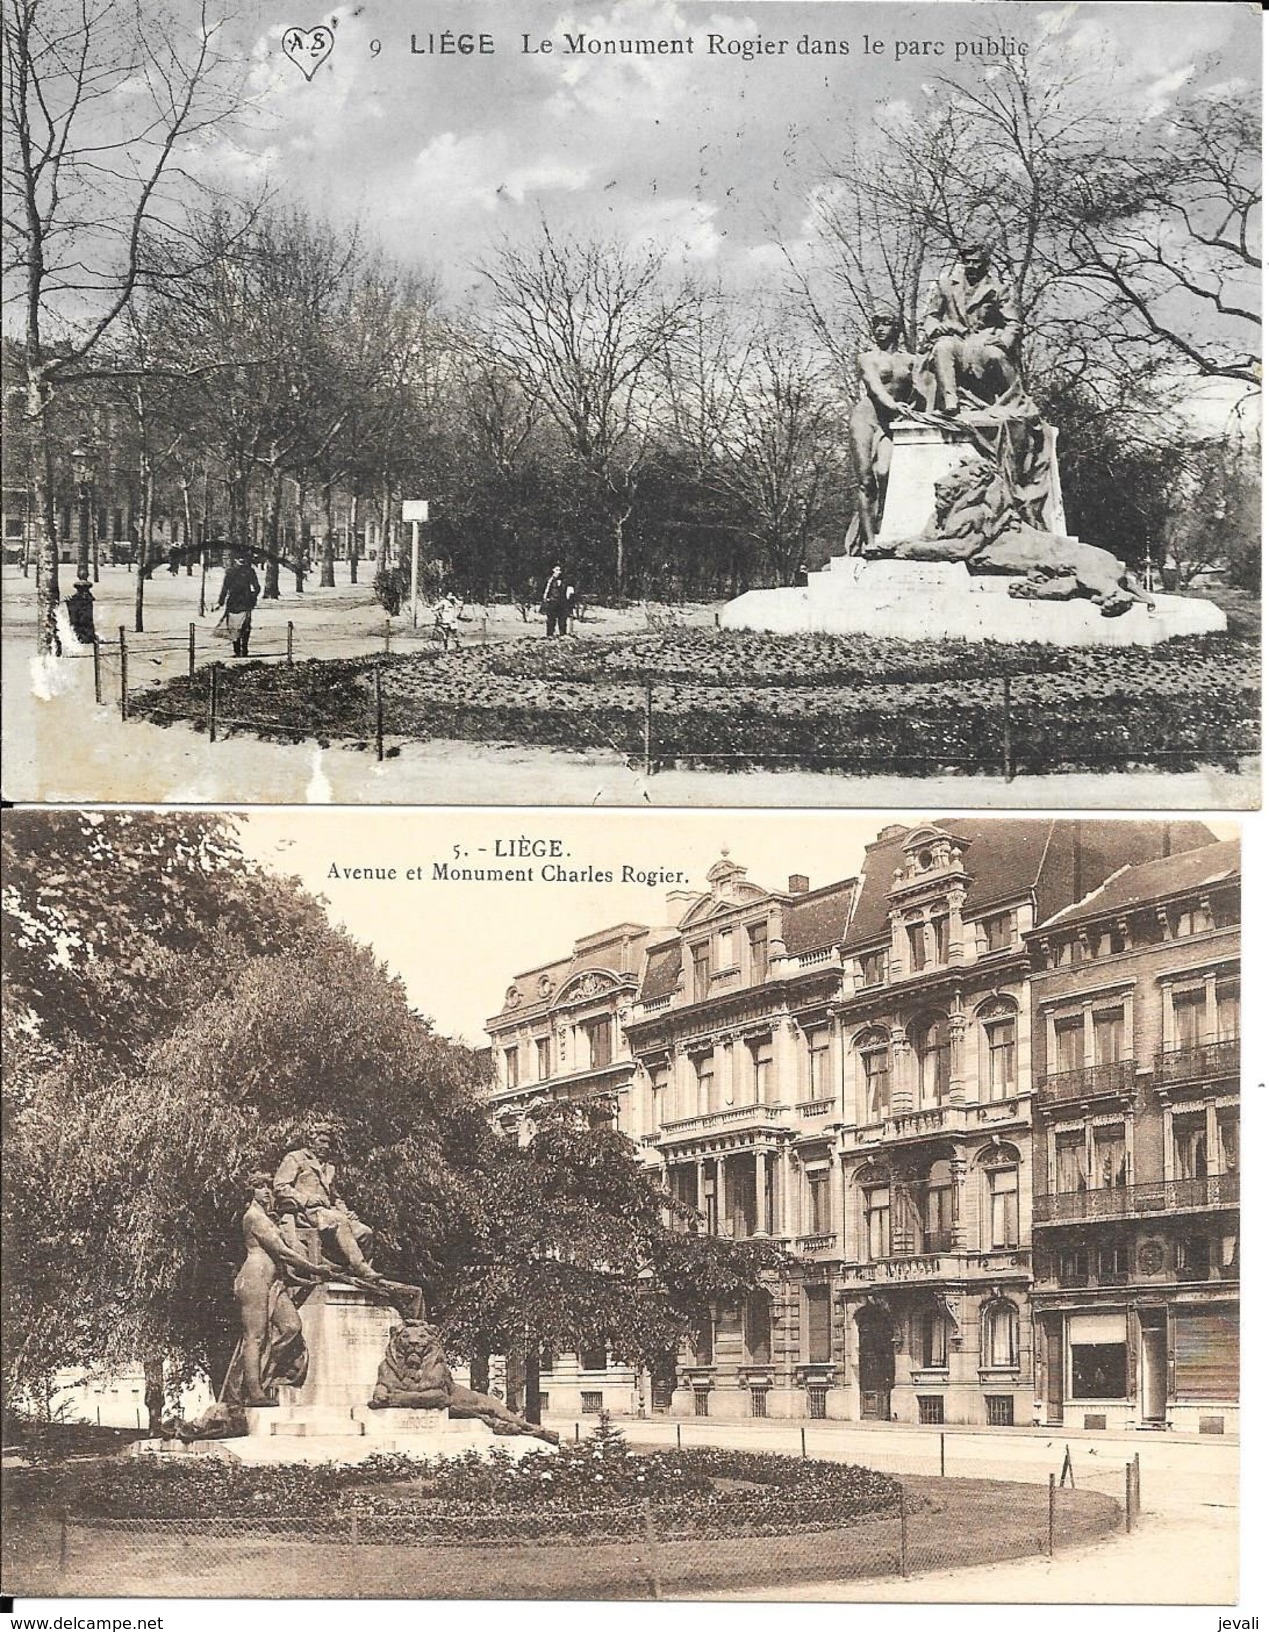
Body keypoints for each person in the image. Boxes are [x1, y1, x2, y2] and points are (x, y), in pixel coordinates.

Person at [230, 1173, 330, 1407]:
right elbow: (282, 1251)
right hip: (254, 1279)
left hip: (273, 1282)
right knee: (255, 1336)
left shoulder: (266, 1217)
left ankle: (267, 1371)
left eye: (267, 1186)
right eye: (259, 1187)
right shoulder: (254, 1217)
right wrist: (313, 1268)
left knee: (291, 1326)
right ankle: (254, 1392)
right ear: (251, 1192)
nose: (266, 1191)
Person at [919, 239, 1023, 418]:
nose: (971, 266)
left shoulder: (998, 288)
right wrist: (939, 328)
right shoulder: (946, 284)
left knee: (995, 355)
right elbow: (930, 316)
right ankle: (950, 403)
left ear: (986, 263)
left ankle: (1013, 402)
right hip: (957, 340)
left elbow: (1013, 323)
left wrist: (1004, 340)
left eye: (976, 262)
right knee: (943, 347)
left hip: (983, 340)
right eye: (967, 261)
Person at [848, 310, 922, 549]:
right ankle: (869, 543)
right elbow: (874, 385)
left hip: (893, 423)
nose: (879, 329)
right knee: (866, 480)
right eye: (876, 324)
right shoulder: (867, 357)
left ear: (897, 329)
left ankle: (886, 532)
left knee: (886, 473)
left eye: (885, 324)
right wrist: (893, 404)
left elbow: (923, 390)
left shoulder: (911, 360)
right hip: (866, 419)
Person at [273, 1122, 379, 1280]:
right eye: (322, 1141)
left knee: (365, 1232)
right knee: (339, 1220)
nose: (326, 1146)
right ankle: (360, 1267)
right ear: (311, 1141)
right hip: (305, 1213)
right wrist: (306, 1199)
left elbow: (335, 1197)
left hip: (329, 1213)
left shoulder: (329, 1167)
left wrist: (346, 1211)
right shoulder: (295, 1158)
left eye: (328, 1143)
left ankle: (359, 1275)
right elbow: (279, 1186)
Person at [215, 548, 261, 657]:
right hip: (233, 602)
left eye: (243, 558)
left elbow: (257, 587)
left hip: (245, 602)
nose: (241, 560)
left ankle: (244, 649)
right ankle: (236, 650)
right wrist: (220, 602)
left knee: (245, 626)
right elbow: (225, 588)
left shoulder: (249, 571)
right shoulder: (230, 572)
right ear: (235, 559)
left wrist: (252, 597)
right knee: (233, 626)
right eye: (239, 558)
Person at [540, 563, 575, 638]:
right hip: (552, 602)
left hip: (562, 602)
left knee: (562, 619)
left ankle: (562, 634)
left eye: (560, 570)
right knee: (551, 619)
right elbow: (545, 591)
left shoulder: (564, 581)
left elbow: (568, 590)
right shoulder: (549, 580)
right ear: (553, 570)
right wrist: (546, 600)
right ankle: (550, 634)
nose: (559, 572)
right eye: (557, 570)